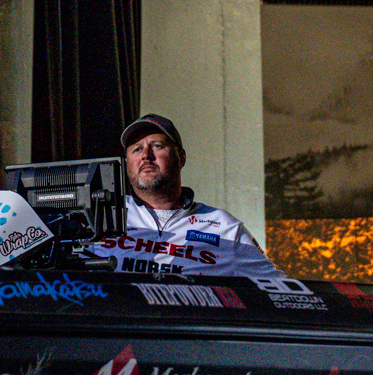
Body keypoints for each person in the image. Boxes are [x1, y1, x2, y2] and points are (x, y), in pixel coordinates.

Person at [86, 113, 284, 278]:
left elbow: (279, 290)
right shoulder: (98, 216)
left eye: (157, 146)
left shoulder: (225, 228)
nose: (146, 155)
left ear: (181, 158)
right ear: (126, 163)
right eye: (137, 149)